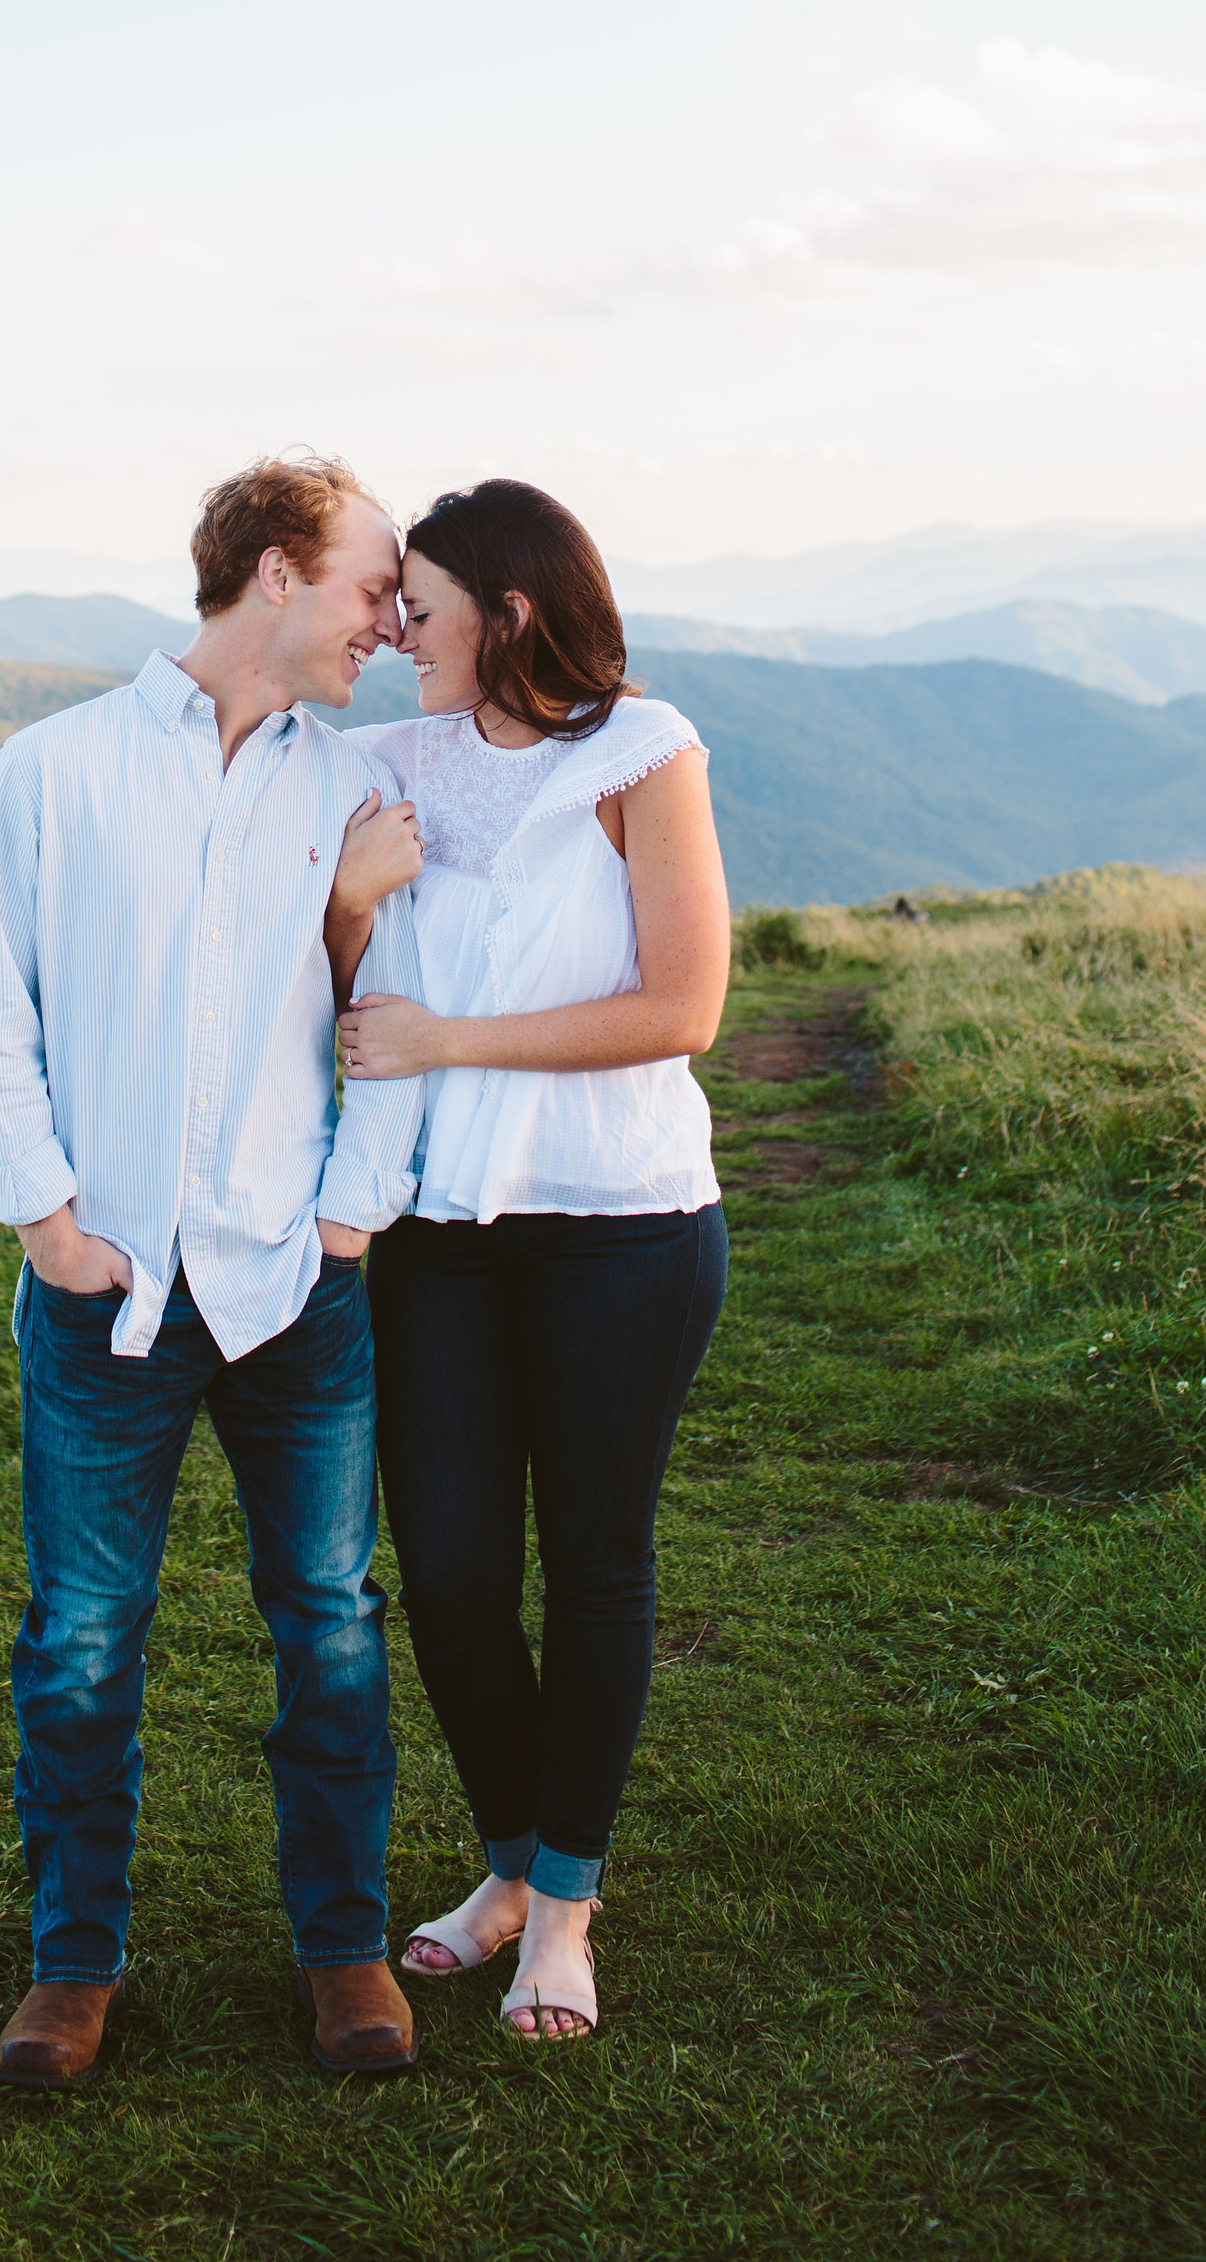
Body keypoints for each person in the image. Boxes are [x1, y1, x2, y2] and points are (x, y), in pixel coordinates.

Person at [0, 455, 429, 2091]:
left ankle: (344, 1951)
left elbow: (396, 1013)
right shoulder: (53, 771)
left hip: (298, 1285)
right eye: (373, 585)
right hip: (107, 1292)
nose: (392, 618)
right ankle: (73, 1968)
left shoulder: (347, 789)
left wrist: (352, 1211)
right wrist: (47, 1222)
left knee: (333, 1627)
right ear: (278, 575)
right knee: (82, 1635)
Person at [328, 478, 733, 2045]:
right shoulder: (382, 763)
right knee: (447, 1575)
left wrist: (455, 1042)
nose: (394, 638)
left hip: (624, 1225)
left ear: (503, 614)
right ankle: (505, 1860)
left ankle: (562, 1903)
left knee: (597, 1563)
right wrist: (352, 913)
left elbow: (682, 1006)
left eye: (418, 610)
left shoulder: (644, 749)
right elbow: (333, 979)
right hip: (439, 1233)